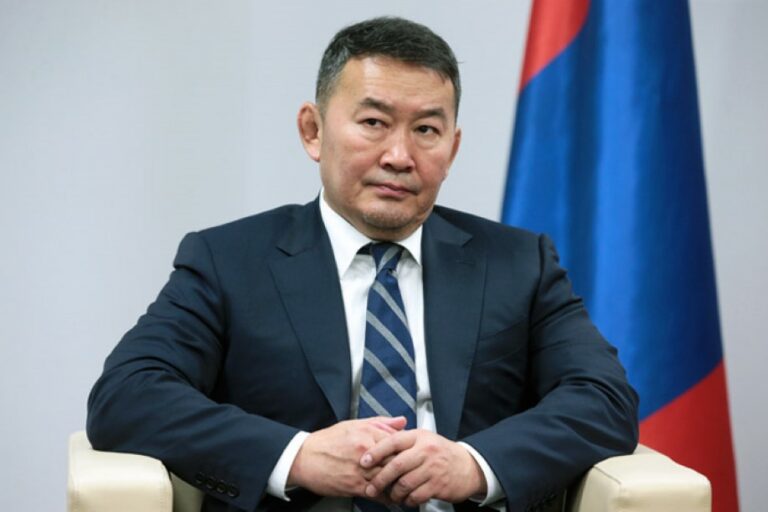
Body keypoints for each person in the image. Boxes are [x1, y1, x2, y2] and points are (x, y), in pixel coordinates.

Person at [87, 16, 638, 512]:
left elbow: (605, 399)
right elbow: (127, 395)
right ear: (313, 130)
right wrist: (298, 455)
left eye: (426, 130)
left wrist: (473, 464)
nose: (399, 156)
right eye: (374, 122)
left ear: (452, 148)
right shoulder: (229, 261)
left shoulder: (518, 263)